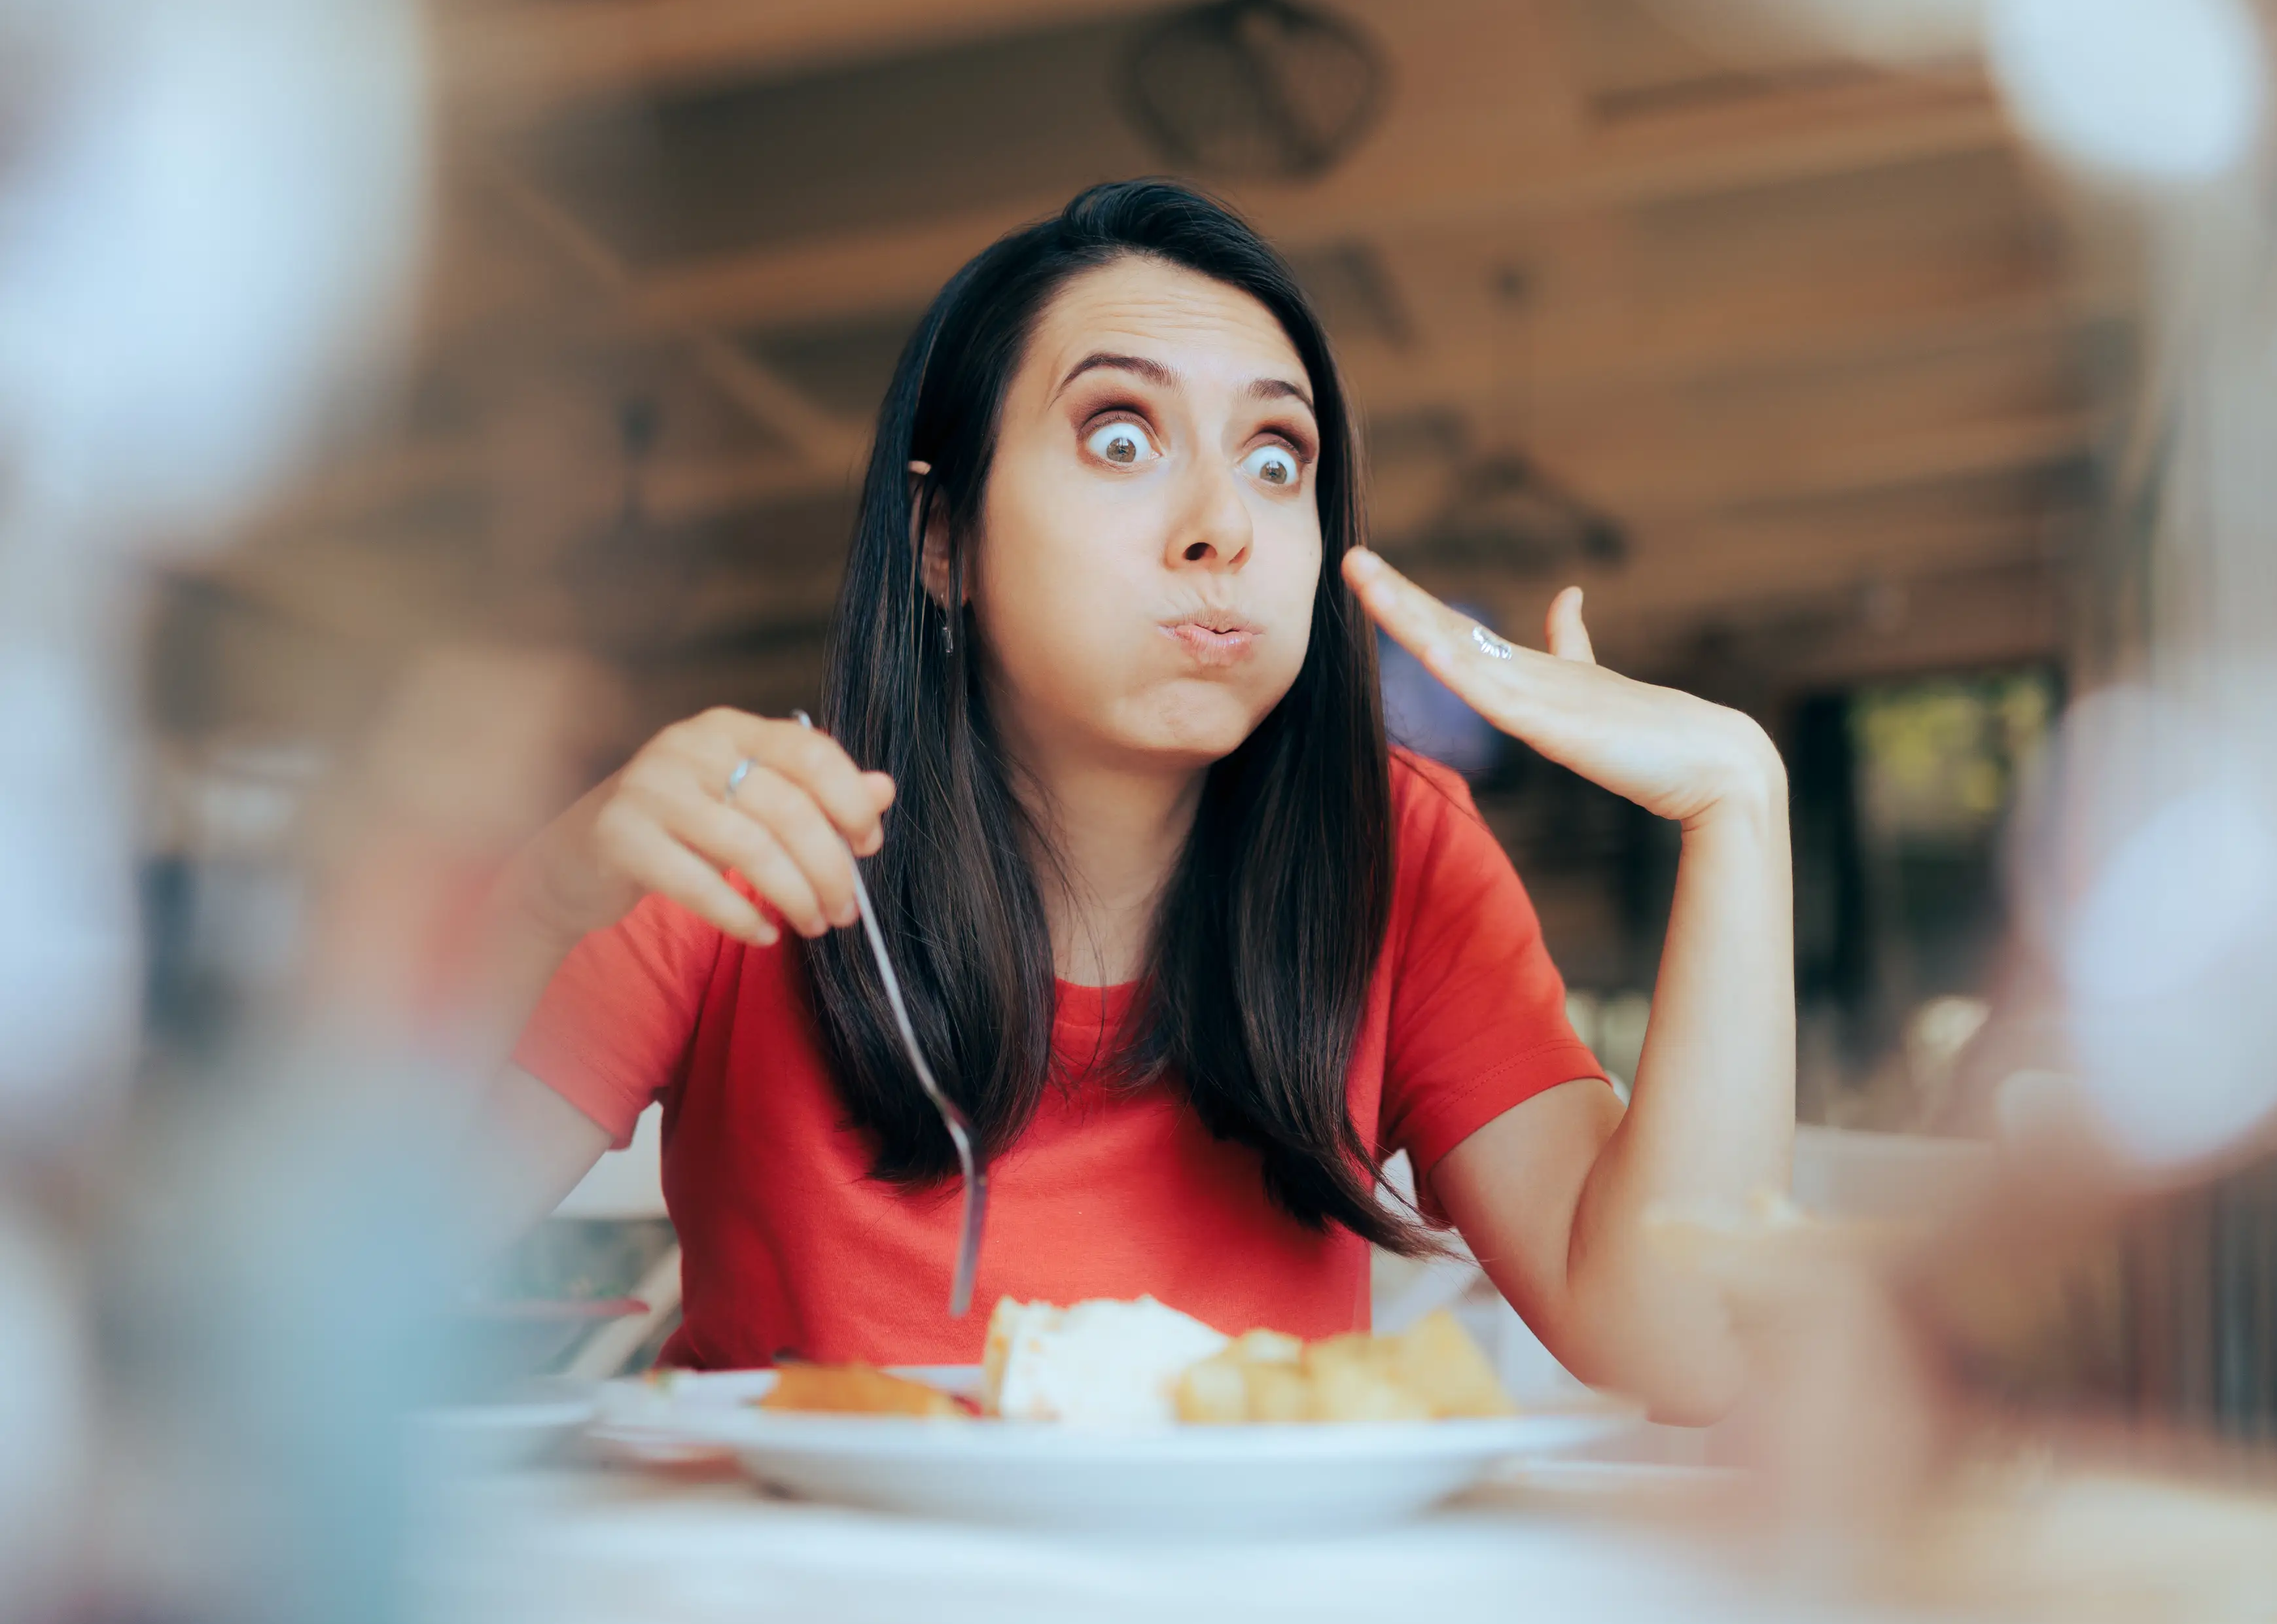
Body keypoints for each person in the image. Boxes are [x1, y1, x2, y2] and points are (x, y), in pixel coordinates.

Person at [468, 179, 1794, 1422]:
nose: (1225, 520)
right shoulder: (751, 836)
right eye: (1121, 435)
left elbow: (1691, 1339)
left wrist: (1739, 799)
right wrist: (536, 906)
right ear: (944, 540)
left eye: (1278, 457)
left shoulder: (1398, 853)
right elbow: (348, 1283)